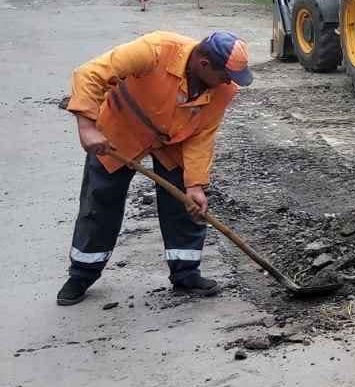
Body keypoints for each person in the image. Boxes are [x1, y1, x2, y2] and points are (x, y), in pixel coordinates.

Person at [56, 30, 252, 306]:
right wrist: (87, 126)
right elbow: (88, 74)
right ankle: (81, 274)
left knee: (184, 204)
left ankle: (186, 273)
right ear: (204, 64)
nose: (229, 82)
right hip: (119, 130)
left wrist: (195, 184)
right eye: (225, 75)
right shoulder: (156, 49)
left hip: (171, 141)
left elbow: (202, 136)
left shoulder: (223, 89)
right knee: (100, 202)